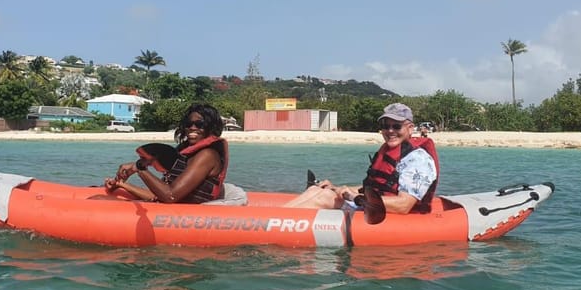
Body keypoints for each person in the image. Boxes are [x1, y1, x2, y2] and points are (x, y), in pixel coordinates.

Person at [283, 103, 440, 214]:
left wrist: (356, 197)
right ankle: (271, 218)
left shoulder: (418, 160)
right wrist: (339, 188)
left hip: (391, 217)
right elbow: (380, 187)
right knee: (315, 190)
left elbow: (403, 205)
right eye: (386, 125)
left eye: (396, 126)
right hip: (374, 205)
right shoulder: (390, 150)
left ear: (410, 128)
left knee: (325, 198)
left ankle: (267, 224)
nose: (390, 130)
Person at [98, 103, 246, 205]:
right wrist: (123, 185)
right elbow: (160, 194)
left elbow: (170, 196)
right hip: (176, 205)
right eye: (188, 124)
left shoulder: (206, 155)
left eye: (200, 124)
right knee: (98, 198)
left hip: (189, 214)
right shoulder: (187, 152)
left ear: (210, 127)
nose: (192, 128)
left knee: (99, 200)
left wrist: (140, 168)